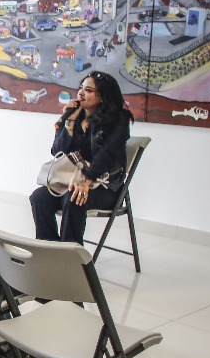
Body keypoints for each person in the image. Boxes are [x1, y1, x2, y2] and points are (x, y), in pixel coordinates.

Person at [29, 71, 132, 245]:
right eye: (81, 88)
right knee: (39, 197)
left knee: (73, 198)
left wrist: (86, 180)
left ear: (103, 97)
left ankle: (70, 254)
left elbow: (106, 154)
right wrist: (69, 123)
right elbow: (57, 152)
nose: (81, 93)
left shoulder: (119, 119)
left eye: (89, 90)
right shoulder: (76, 117)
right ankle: (49, 249)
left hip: (105, 186)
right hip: (72, 182)